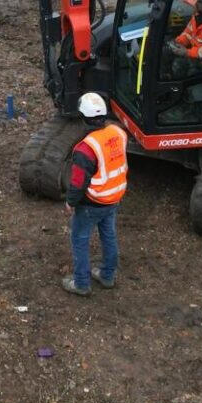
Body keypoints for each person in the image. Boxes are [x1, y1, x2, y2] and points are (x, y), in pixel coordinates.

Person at [62, 92, 127, 296]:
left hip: (93, 202)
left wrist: (70, 202)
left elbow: (78, 182)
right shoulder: (117, 133)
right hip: (114, 197)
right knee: (109, 235)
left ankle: (81, 283)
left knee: (79, 239)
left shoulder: (86, 149)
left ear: (83, 117)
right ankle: (107, 275)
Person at [165, 0, 202, 74]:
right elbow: (187, 33)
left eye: (200, 2)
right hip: (193, 54)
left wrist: (187, 52)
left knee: (179, 65)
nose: (196, 4)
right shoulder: (197, 16)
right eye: (197, 0)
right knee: (166, 52)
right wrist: (177, 42)